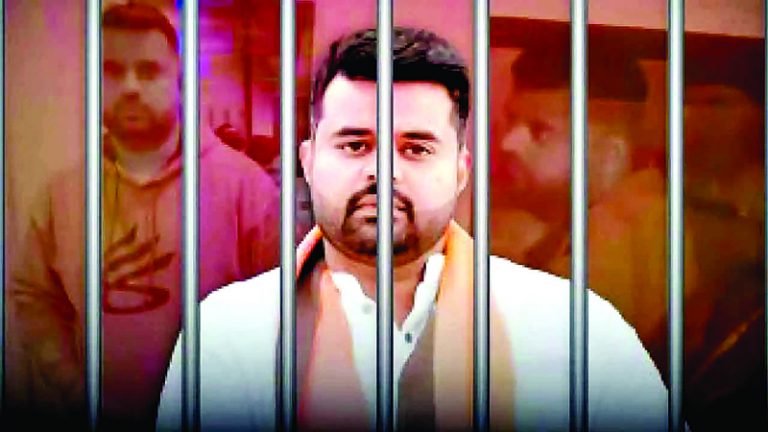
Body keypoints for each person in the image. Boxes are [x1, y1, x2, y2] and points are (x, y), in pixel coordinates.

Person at [158, 27, 668, 431]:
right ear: (309, 163)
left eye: (416, 148)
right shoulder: (227, 337)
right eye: (355, 145)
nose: (383, 171)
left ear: (461, 171)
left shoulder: (577, 333)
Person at [7, 4, 280, 430]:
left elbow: (286, 310)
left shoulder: (248, 191)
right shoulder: (61, 198)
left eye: (149, 71)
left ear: (179, 80)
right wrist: (72, 387)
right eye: (112, 71)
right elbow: (35, 296)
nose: (130, 86)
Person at [491, 47, 701, 362]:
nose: (508, 143)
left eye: (540, 131)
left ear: (610, 154)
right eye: (511, 121)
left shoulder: (628, 230)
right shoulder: (598, 218)